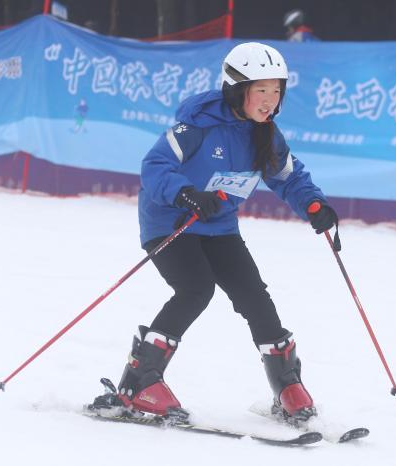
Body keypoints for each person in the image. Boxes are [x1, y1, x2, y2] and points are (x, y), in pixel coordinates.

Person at [91, 42, 338, 425]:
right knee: (195, 289)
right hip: (172, 222)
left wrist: (314, 205)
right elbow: (155, 166)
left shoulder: (265, 134)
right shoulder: (196, 126)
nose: (270, 100)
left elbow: (289, 176)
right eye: (262, 90)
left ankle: (286, 385)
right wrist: (186, 194)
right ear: (237, 89)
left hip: (220, 227)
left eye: (277, 90)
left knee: (254, 294)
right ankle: (138, 384)